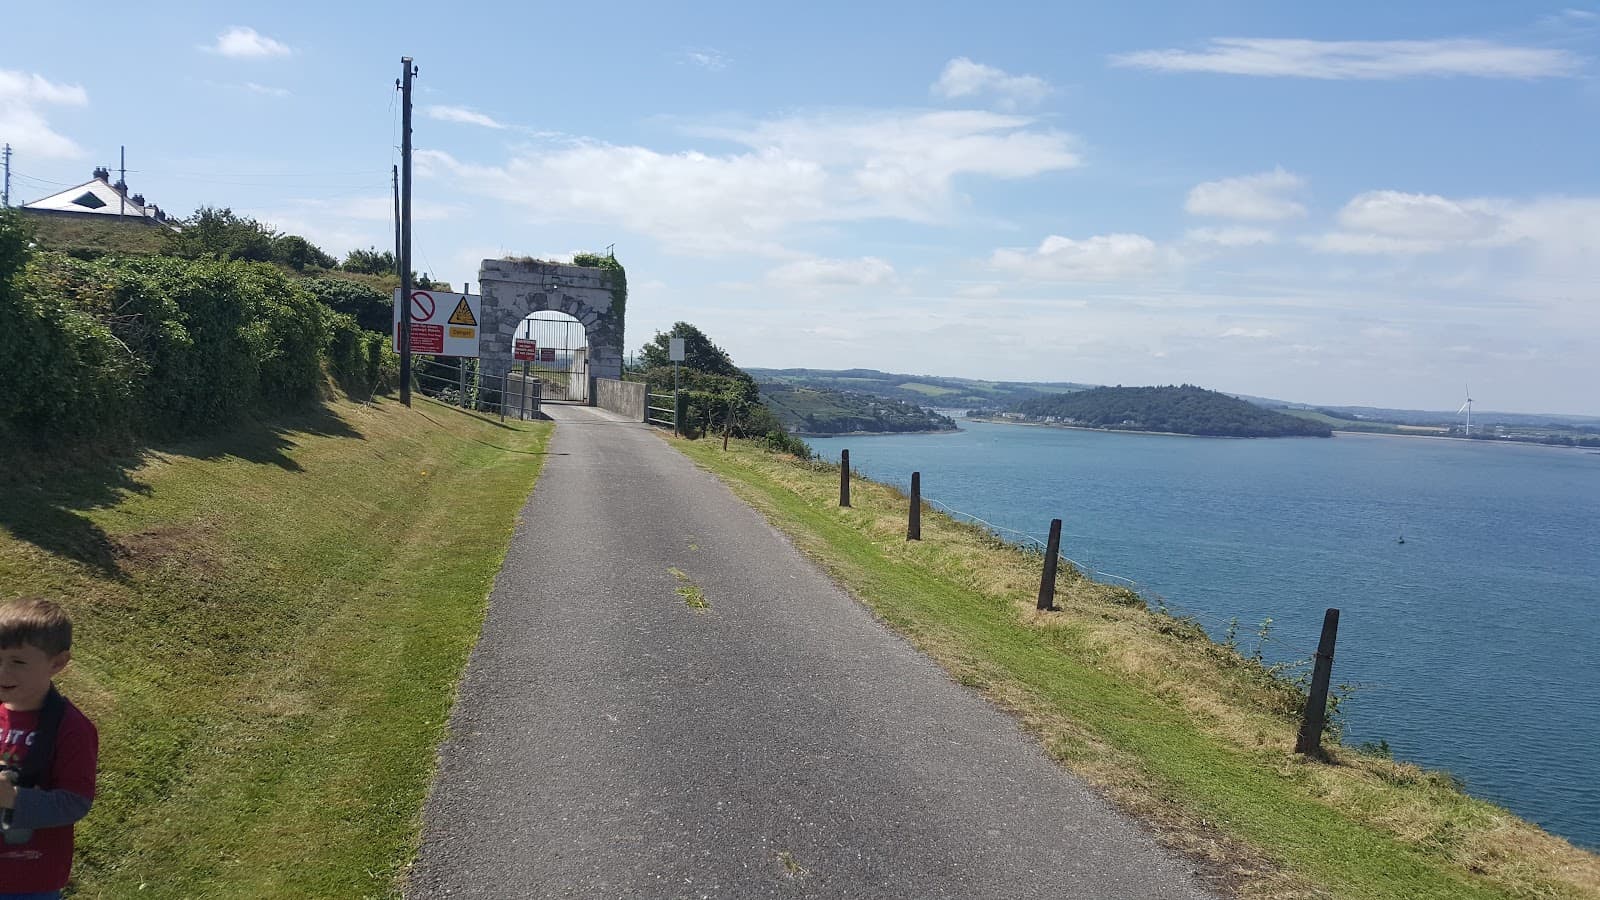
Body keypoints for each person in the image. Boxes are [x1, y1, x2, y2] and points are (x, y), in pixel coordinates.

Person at [0, 598, 98, 900]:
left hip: (27, 880)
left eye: (18, 662)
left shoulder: (72, 728)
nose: (3, 671)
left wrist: (15, 800)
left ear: (57, 663)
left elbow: (74, 802)